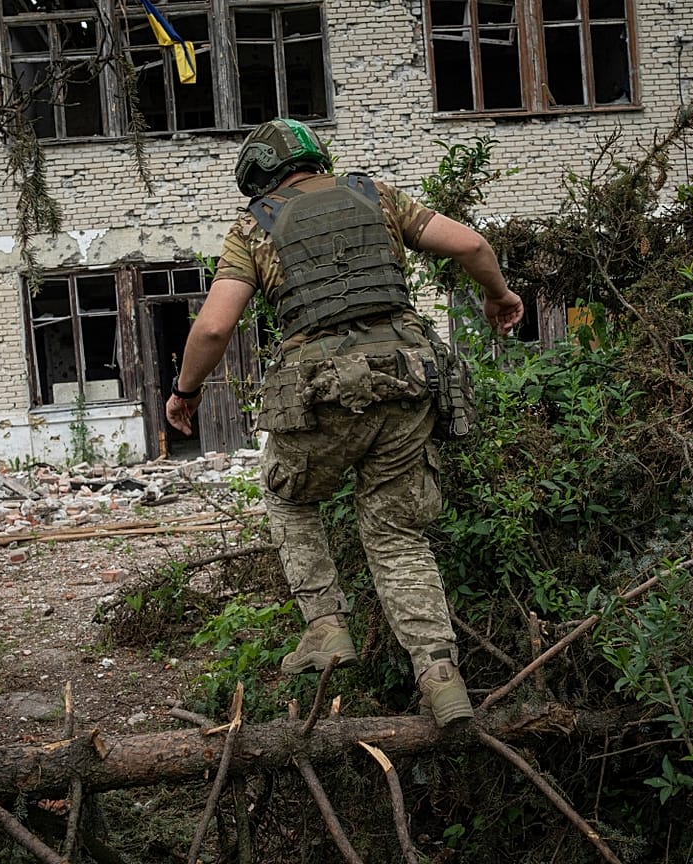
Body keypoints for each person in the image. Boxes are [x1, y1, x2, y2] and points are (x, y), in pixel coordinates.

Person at [165, 119, 523, 727]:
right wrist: (498, 295)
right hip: (409, 386)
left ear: (256, 178)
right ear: (317, 157)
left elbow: (215, 327)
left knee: (286, 496)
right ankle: (440, 677)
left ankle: (327, 627)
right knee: (396, 533)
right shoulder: (375, 195)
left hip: (322, 393)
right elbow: (471, 246)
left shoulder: (254, 227)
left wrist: (185, 393)